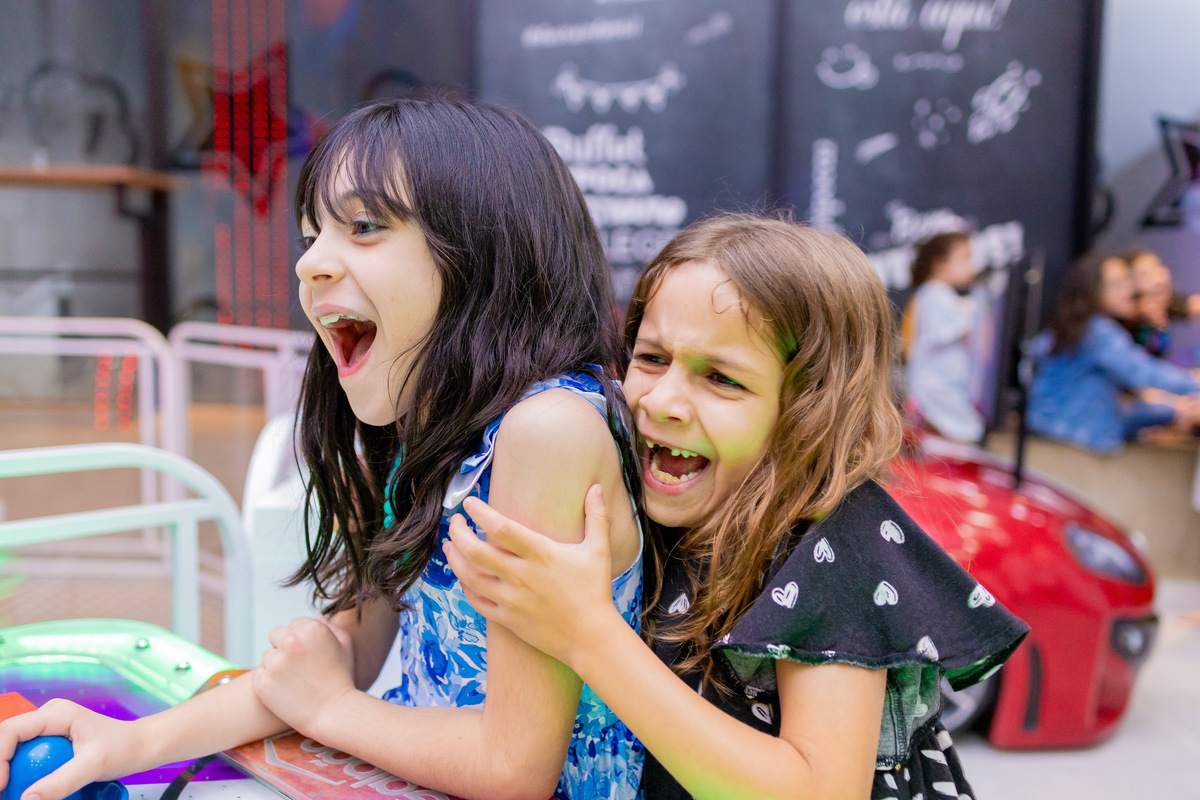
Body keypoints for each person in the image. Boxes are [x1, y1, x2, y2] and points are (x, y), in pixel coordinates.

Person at [0, 99, 645, 800]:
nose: (309, 264)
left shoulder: (545, 430)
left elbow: (511, 767)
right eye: (311, 236)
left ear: (487, 251)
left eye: (364, 227)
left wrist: (333, 710)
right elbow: (342, 658)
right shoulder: (413, 432)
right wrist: (127, 741)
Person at [443, 213, 1029, 800]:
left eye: (721, 378)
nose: (664, 400)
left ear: (811, 409)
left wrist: (587, 634)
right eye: (650, 358)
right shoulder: (656, 500)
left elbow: (818, 791)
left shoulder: (834, 540)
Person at [1028, 252, 1200, 452]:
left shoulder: (1077, 330)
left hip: (1055, 440)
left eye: (1128, 281)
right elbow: (1141, 372)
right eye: (1118, 283)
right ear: (1094, 290)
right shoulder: (1098, 333)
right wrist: (1192, 383)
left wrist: (1173, 411)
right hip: (1070, 447)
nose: (1129, 290)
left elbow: (1115, 411)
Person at [901, 231, 986, 442]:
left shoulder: (938, 295)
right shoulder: (935, 294)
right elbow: (946, 333)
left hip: (941, 392)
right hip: (935, 395)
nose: (971, 267)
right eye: (964, 258)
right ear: (940, 264)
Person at [1124, 247, 1200, 359]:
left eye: (1158, 266)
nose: (1159, 278)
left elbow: (1194, 304)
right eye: (1145, 274)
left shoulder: (1167, 302)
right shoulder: (1126, 321)